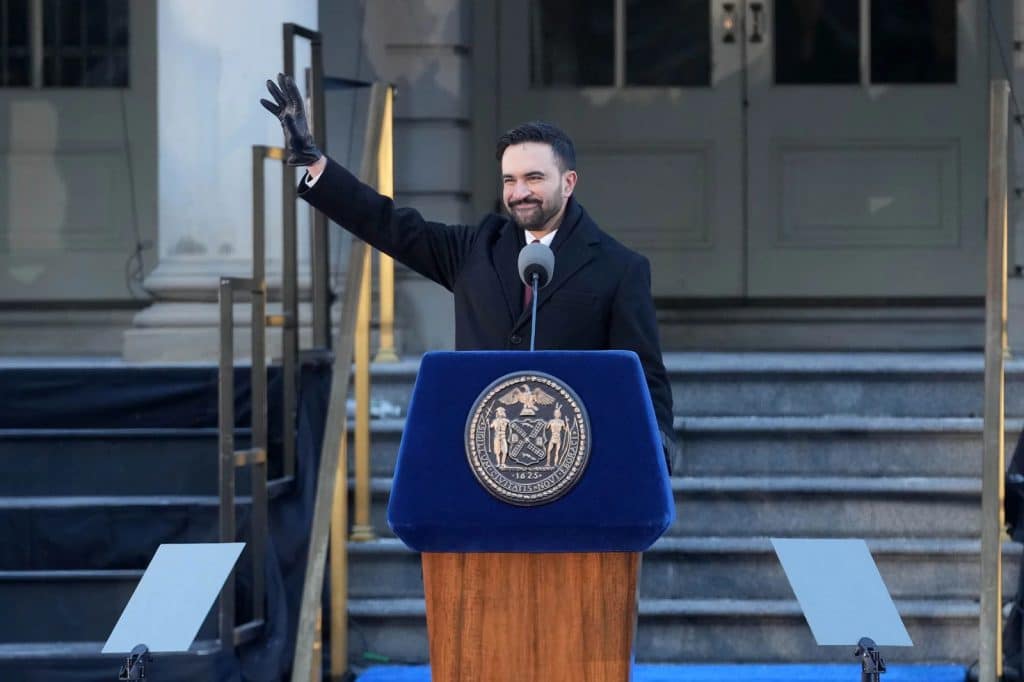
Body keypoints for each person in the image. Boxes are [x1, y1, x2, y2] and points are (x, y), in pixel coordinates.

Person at [261, 73, 678, 470]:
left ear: (568, 182)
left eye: (534, 178)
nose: (519, 193)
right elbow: (386, 224)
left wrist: (657, 442)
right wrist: (315, 164)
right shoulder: (477, 247)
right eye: (509, 180)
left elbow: (643, 374)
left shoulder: (619, 268)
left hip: (575, 460)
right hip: (482, 457)